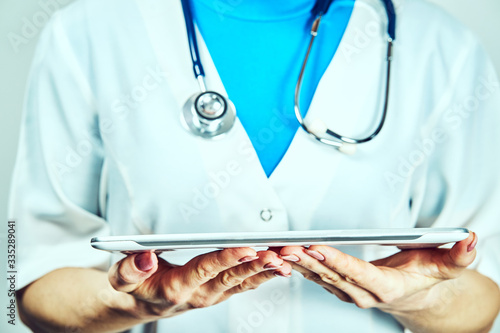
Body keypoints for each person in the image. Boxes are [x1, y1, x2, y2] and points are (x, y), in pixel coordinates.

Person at [9, 0, 500, 332]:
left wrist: (412, 297)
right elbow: (28, 279)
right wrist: (133, 301)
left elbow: (485, 294)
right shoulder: (86, 33)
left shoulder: (442, 49)